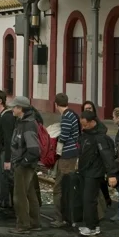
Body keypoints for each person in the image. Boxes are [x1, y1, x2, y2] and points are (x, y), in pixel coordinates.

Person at [76, 110, 117, 236]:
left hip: (94, 172)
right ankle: (93, 225)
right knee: (88, 199)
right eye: (82, 125)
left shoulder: (99, 138)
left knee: (89, 199)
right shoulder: (87, 135)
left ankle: (91, 226)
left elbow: (107, 157)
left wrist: (111, 174)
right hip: (86, 170)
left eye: (86, 125)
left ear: (93, 122)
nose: (84, 127)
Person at [4, 96, 42, 234]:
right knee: (30, 194)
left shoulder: (27, 125)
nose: (12, 109)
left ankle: (23, 224)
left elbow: (33, 149)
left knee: (19, 195)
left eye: (14, 107)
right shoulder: (22, 122)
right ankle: (34, 222)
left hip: (23, 165)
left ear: (20, 108)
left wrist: (23, 162)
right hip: (25, 163)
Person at [51, 93, 81, 228]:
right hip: (72, 153)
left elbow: (64, 136)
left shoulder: (66, 117)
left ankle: (60, 217)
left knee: (59, 187)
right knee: (66, 185)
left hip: (67, 155)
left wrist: (57, 151)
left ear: (56, 104)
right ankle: (67, 216)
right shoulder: (72, 114)